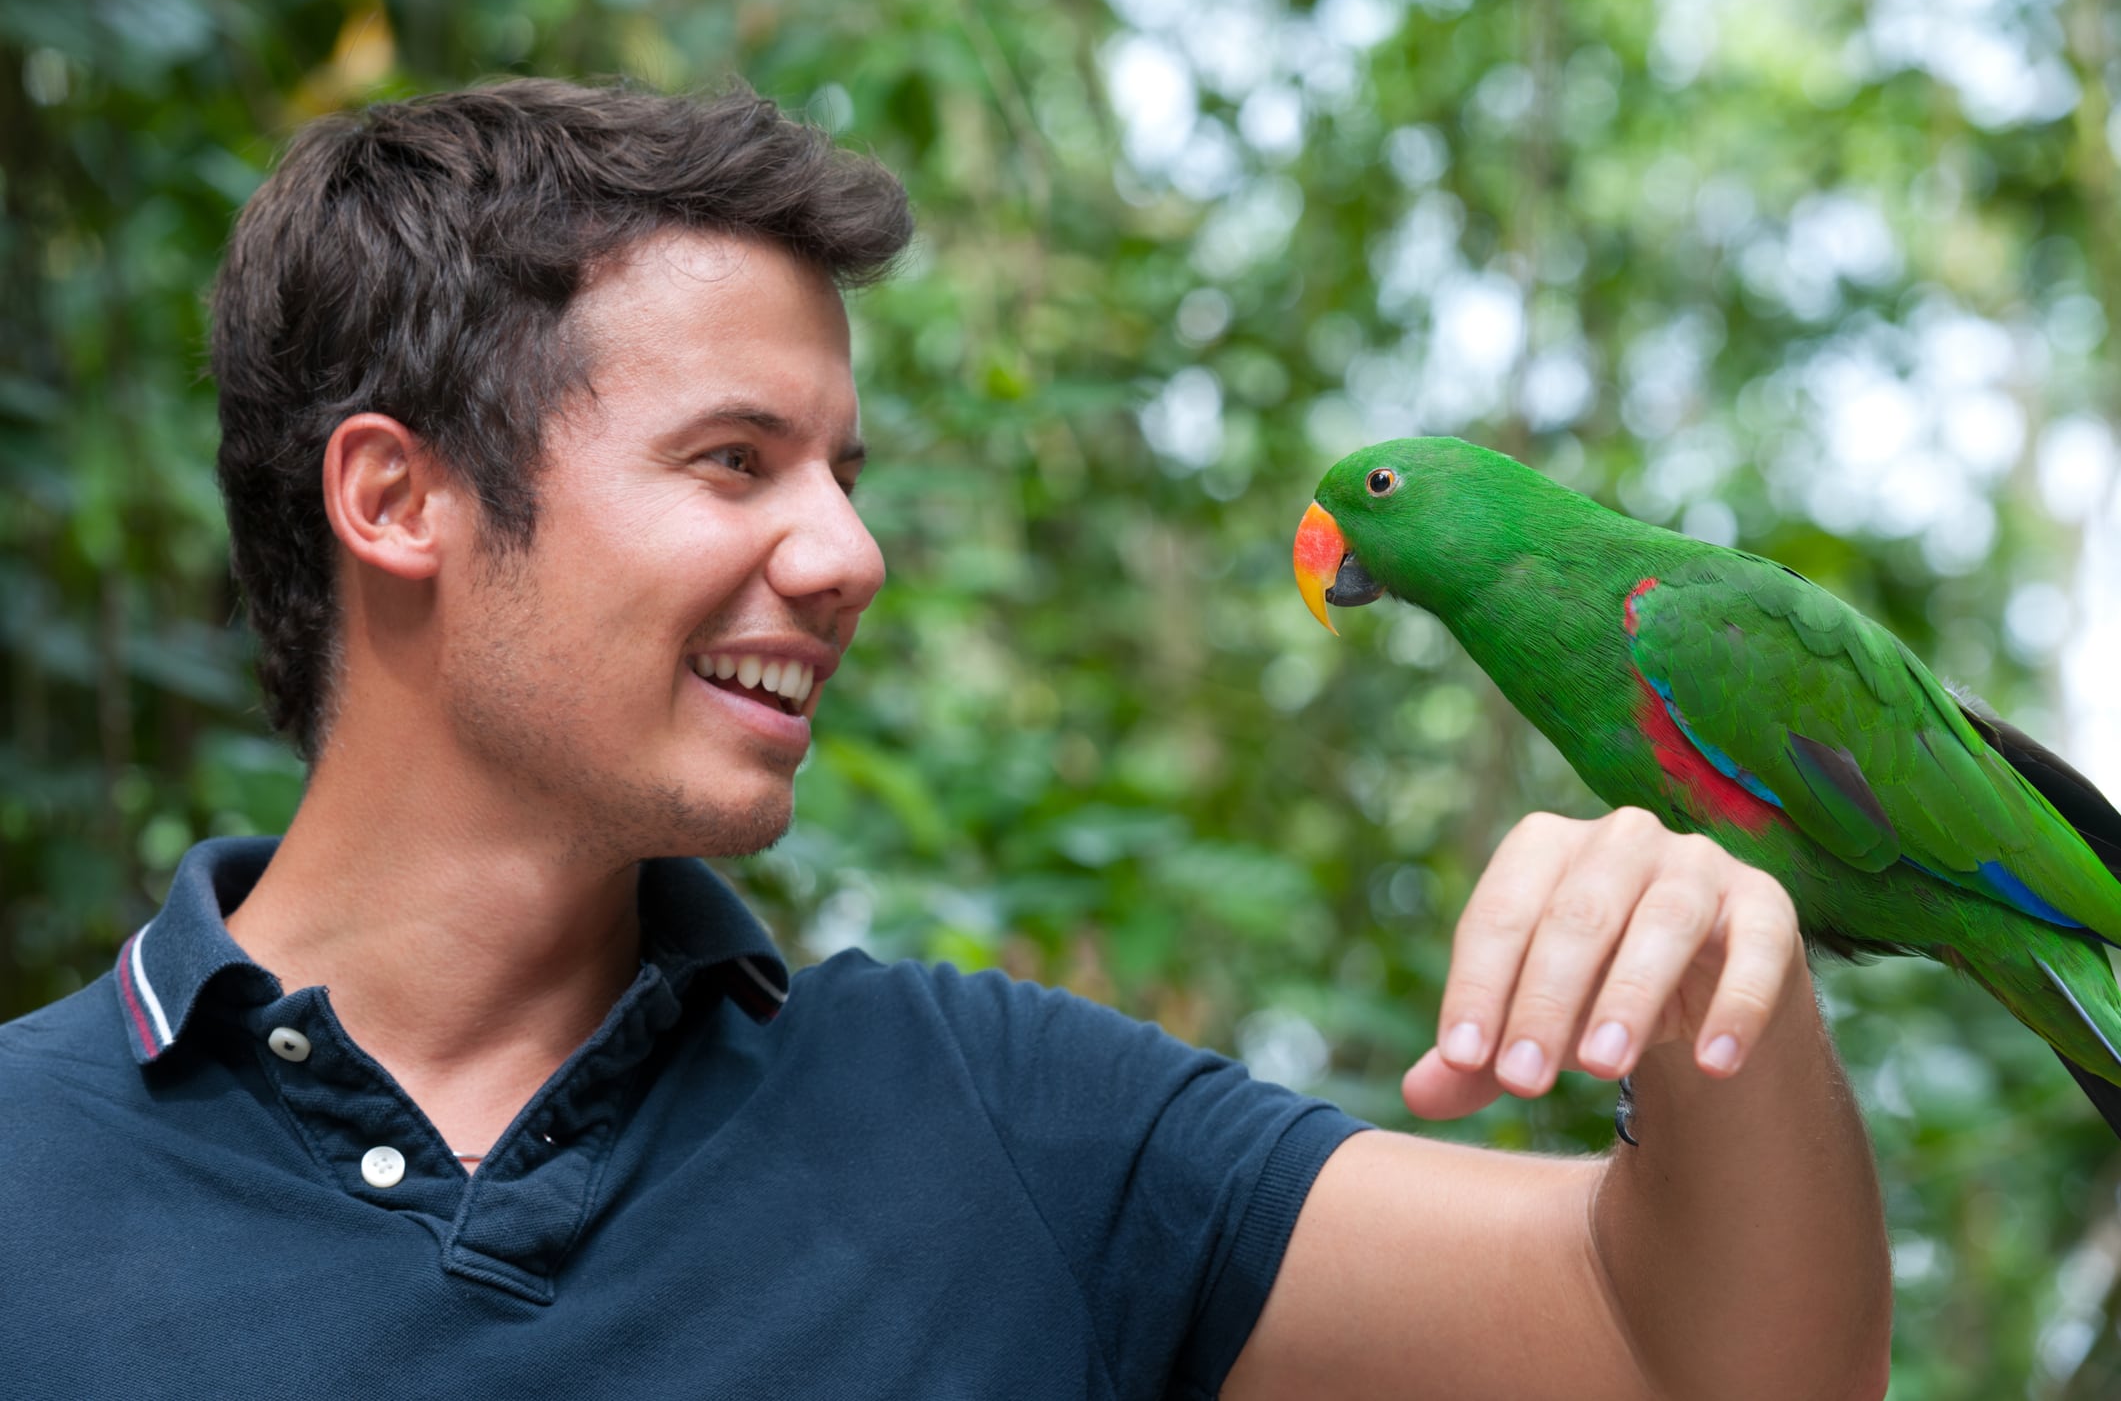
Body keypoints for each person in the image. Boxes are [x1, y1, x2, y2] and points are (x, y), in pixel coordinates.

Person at [0, 79, 1890, 1399]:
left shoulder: (1002, 1117)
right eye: (732, 460)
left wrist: (1717, 1004)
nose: (848, 556)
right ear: (396, 499)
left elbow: (1706, 1361)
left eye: (843, 473)